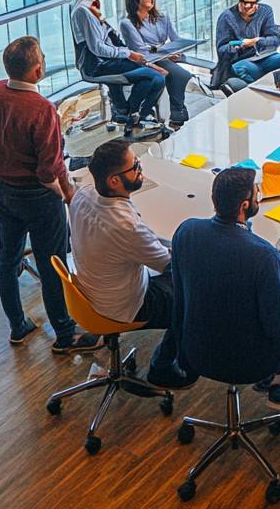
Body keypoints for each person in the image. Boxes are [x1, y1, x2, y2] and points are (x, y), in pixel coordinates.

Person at [0, 36, 101, 354]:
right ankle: (65, 335)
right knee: (52, 264)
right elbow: (49, 168)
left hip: (4, 191)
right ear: (37, 69)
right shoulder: (43, 109)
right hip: (39, 199)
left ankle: (18, 327)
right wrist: (68, 193)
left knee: (7, 260)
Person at [169, 166, 280, 407]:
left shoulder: (187, 231)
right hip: (248, 362)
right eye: (256, 193)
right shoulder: (263, 255)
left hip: (195, 349)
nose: (259, 195)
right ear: (244, 206)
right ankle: (279, 378)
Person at [68, 139, 187, 388]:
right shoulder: (125, 226)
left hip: (89, 291)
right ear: (114, 181)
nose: (140, 169)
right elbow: (168, 263)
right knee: (193, 293)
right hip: (124, 305)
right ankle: (162, 366)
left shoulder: (83, 194)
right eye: (135, 166)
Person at [65, 0, 165, 125]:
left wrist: (126, 52)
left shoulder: (88, 5)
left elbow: (106, 35)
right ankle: (131, 113)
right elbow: (97, 48)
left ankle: (131, 111)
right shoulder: (83, 11)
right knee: (154, 78)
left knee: (157, 78)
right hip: (99, 65)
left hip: (109, 60)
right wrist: (128, 54)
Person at [119, 0, 192, 129]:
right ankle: (177, 112)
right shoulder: (127, 23)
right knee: (180, 75)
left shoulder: (162, 17)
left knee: (180, 73)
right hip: (145, 60)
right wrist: (164, 50)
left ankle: (177, 113)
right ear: (137, 1)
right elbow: (141, 50)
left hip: (162, 57)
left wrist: (176, 50)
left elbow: (175, 39)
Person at [212, 0, 280, 88]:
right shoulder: (227, 17)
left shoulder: (265, 11)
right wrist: (238, 46)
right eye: (244, 2)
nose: (247, 6)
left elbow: (276, 39)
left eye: (251, 3)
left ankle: (279, 90)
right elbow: (221, 50)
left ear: (257, 1)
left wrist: (256, 41)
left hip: (265, 56)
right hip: (241, 61)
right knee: (241, 69)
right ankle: (264, 90)